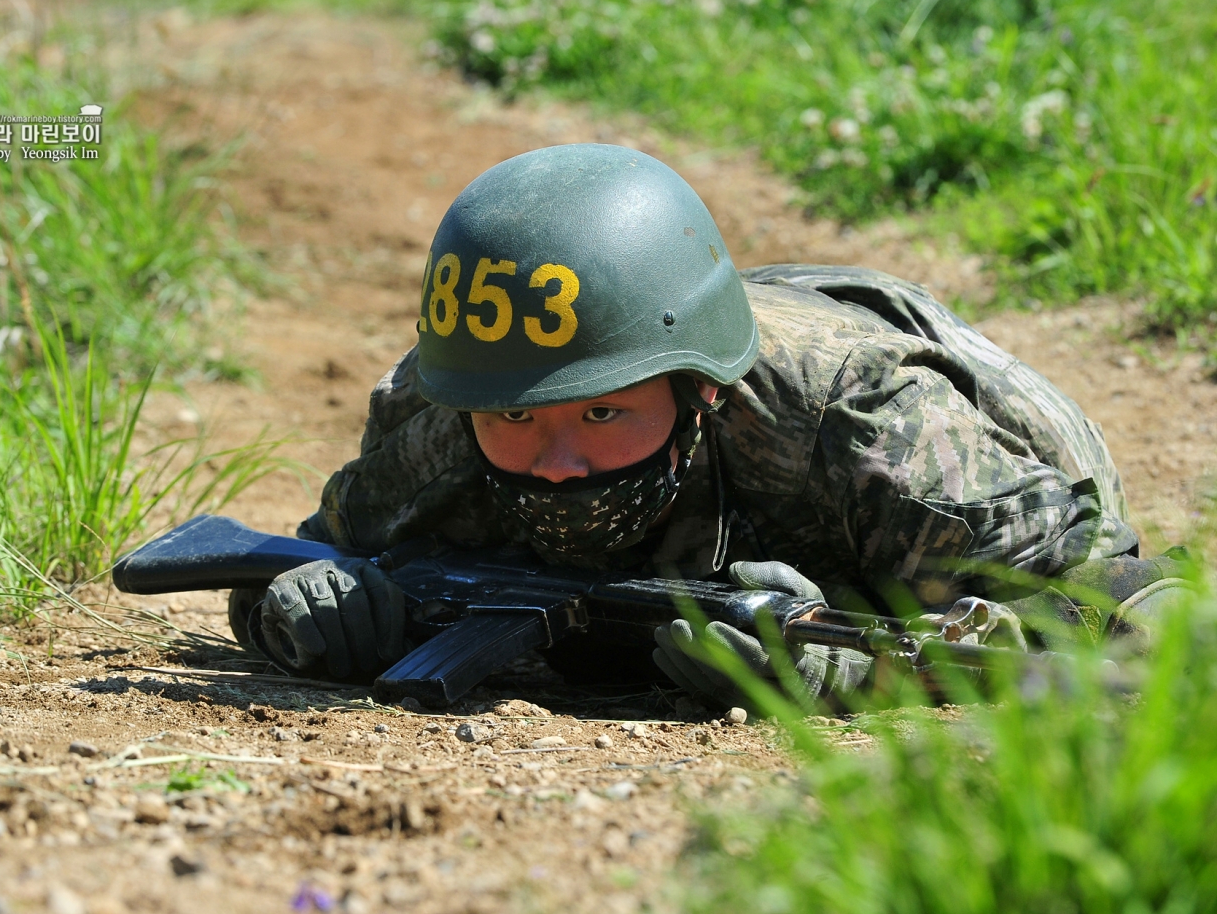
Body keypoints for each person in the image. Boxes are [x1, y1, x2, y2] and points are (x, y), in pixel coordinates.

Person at [230, 143, 1190, 706]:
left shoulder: (867, 428)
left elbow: (1140, 611)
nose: (556, 463)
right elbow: (281, 563)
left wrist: (846, 666)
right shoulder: (447, 406)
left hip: (927, 408)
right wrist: (305, 609)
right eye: (515, 418)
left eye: (603, 411)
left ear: (701, 391)